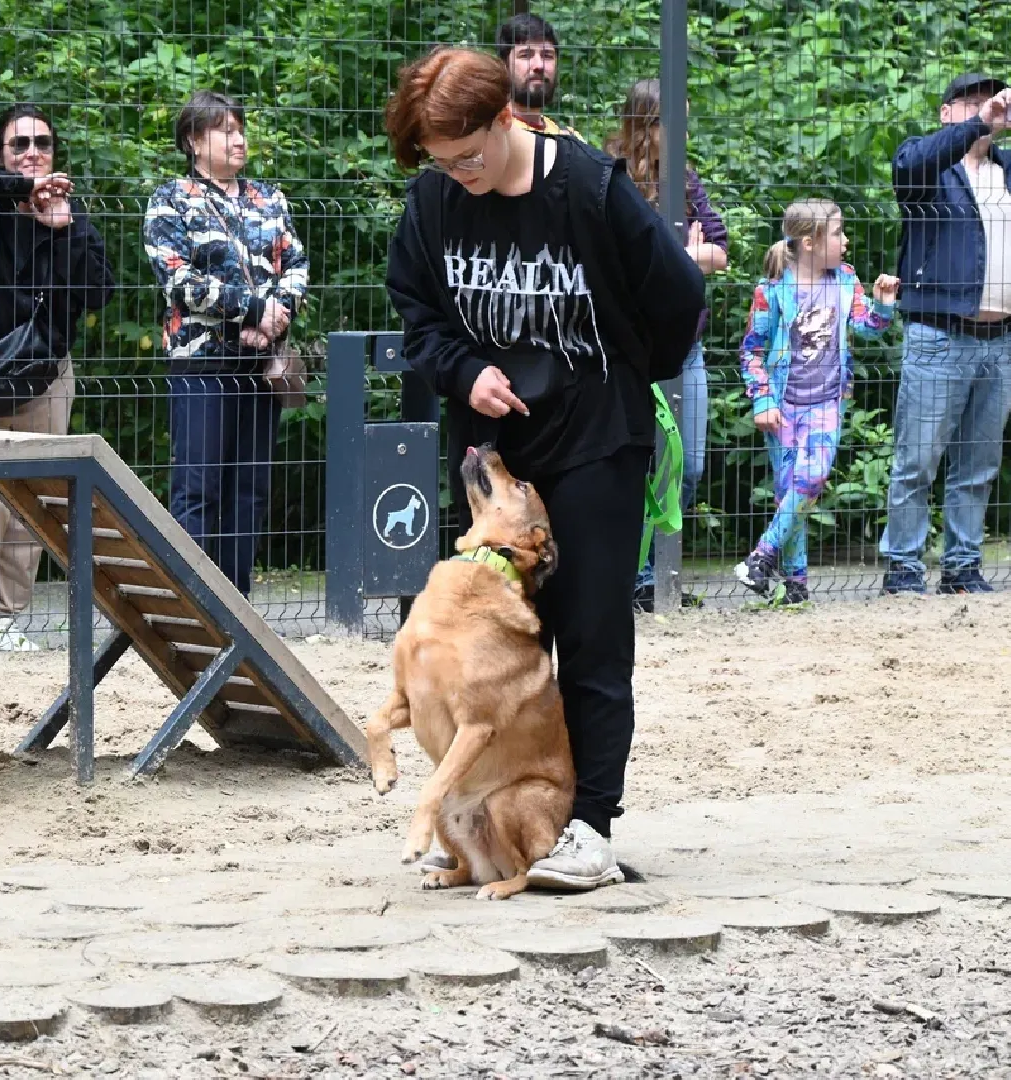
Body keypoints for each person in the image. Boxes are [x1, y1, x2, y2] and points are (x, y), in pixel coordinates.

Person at [384, 47, 705, 889]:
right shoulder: (433, 203)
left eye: (468, 156)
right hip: (494, 452)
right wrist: (463, 372)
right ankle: (484, 813)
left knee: (591, 634)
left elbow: (679, 296)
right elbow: (417, 315)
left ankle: (588, 827)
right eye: (441, 163)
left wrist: (623, 376)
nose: (458, 175)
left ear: (505, 119)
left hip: (597, 437)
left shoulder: (591, 188)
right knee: (486, 646)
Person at [880, 74, 1011, 595]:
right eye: (971, 102)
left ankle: (962, 568)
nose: (985, 109)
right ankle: (903, 569)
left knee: (978, 465)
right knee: (917, 461)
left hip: (1005, 340)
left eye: (991, 103)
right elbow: (907, 169)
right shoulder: (929, 166)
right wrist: (978, 123)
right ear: (946, 112)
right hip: (939, 337)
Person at [0, 103, 115, 652]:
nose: (33, 152)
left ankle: (6, 620)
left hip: (44, 375)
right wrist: (19, 191)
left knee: (32, 504)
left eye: (43, 143)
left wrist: (63, 229)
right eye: (20, 144)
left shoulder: (68, 214)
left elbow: (98, 292)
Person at [143, 90, 308, 598]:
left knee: (249, 491)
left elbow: (296, 265)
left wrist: (276, 317)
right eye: (225, 131)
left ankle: (236, 606)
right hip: (202, 364)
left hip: (260, 364)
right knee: (199, 488)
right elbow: (177, 279)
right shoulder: (171, 200)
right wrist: (253, 310)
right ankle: (192, 603)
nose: (239, 140)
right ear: (193, 141)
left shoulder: (269, 198)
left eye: (240, 130)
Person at [600, 78, 728, 612]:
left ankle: (652, 573)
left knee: (687, 465)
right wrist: (683, 255)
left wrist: (679, 257)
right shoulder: (611, 176)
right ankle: (628, 577)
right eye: (677, 121)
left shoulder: (686, 182)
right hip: (627, 352)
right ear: (647, 125)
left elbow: (719, 252)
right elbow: (614, 262)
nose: (685, 133)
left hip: (684, 348)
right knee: (630, 466)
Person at [734, 200, 899, 605]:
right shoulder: (772, 290)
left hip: (827, 402)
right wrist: (763, 400)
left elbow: (868, 327)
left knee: (812, 478)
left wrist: (882, 304)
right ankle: (796, 586)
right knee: (791, 492)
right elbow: (751, 351)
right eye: (838, 233)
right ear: (809, 242)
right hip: (783, 406)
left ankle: (761, 557)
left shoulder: (846, 280)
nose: (846, 241)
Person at [495, 13, 583, 139]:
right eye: (525, 55)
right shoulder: (490, 135)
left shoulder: (570, 138)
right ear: (504, 65)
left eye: (547, 56)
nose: (539, 65)